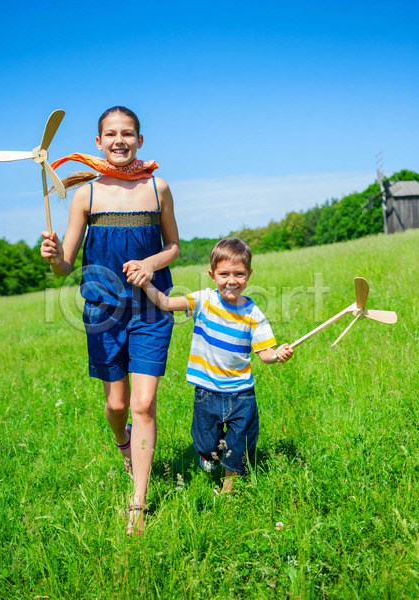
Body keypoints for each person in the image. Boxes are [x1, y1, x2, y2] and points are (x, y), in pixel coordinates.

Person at [40, 106, 180, 534]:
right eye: (111, 134)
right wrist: (53, 258)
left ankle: (137, 502)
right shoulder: (85, 195)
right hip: (103, 312)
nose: (120, 140)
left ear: (140, 140)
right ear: (98, 142)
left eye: (128, 133)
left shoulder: (159, 188)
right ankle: (124, 444)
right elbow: (66, 265)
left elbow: (174, 245)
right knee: (118, 405)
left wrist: (150, 263)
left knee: (143, 403)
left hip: (151, 308)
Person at [131, 237, 293, 494]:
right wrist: (147, 282)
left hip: (242, 393)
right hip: (207, 391)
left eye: (239, 274)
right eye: (224, 274)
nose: (232, 280)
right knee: (206, 444)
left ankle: (229, 492)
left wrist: (278, 355)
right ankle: (209, 456)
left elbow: (264, 353)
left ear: (249, 274)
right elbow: (165, 303)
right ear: (212, 274)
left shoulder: (254, 314)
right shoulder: (204, 300)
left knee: (239, 445)